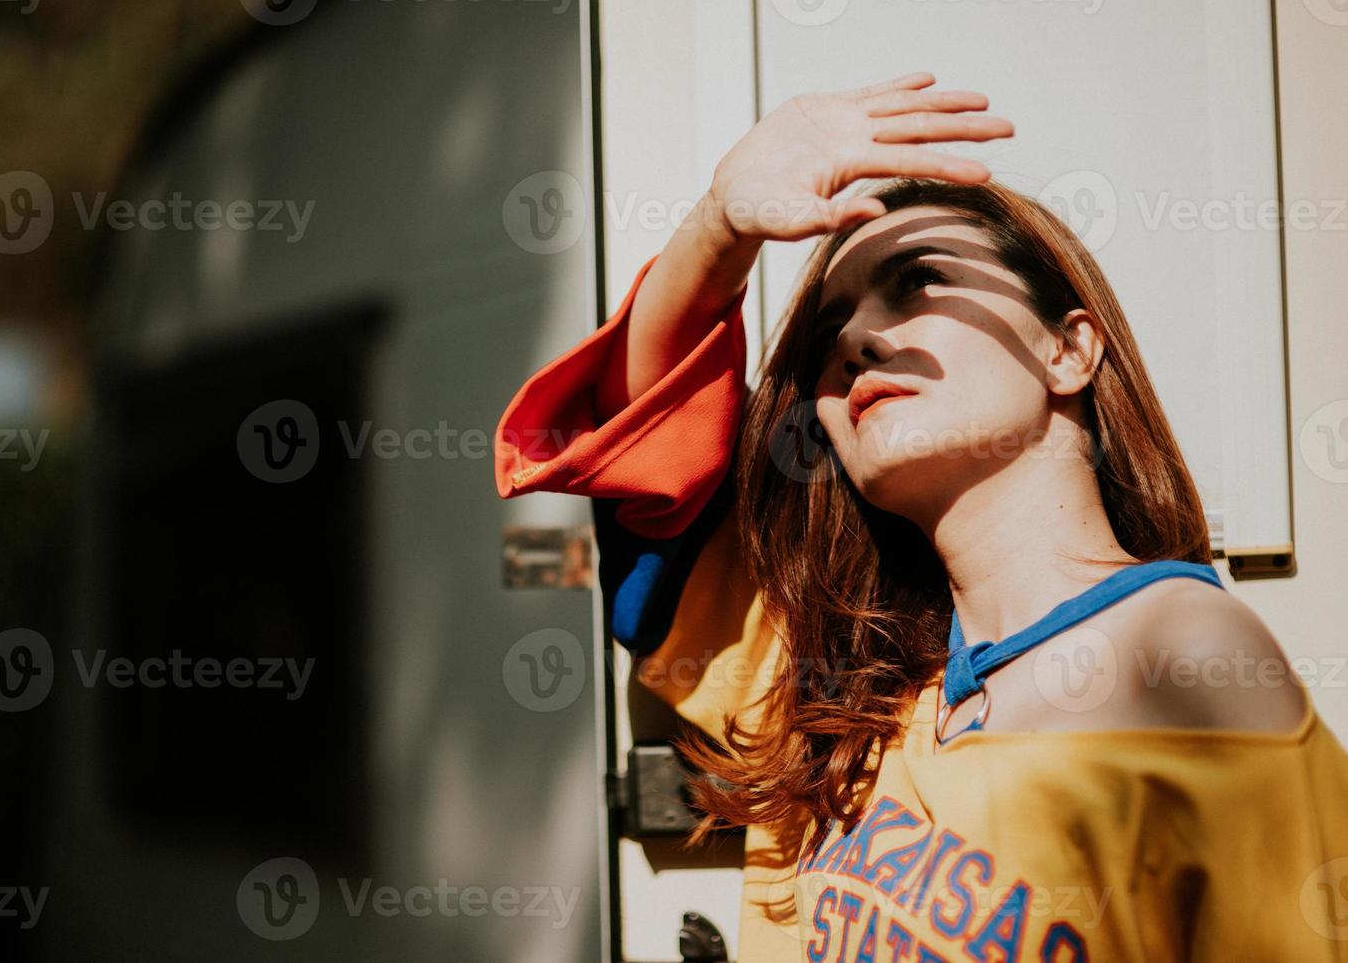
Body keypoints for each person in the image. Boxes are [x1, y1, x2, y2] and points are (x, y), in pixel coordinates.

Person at [494, 72, 1348, 960]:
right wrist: (720, 224)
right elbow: (642, 456)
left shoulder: (1184, 656)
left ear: (1067, 349)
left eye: (916, 281)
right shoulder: (838, 684)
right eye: (831, 332)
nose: (858, 338)